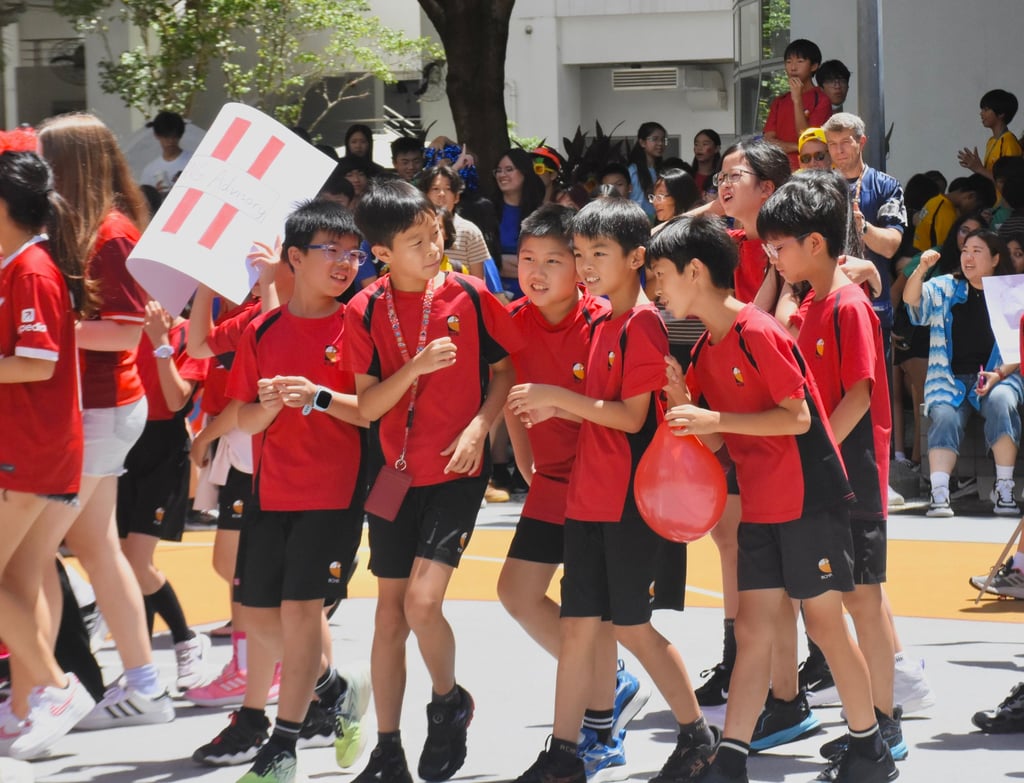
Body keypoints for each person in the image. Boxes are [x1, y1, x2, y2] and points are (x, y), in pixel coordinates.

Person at [649, 213, 897, 783]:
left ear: (693, 270)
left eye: (661, 274)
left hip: (808, 498)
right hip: (761, 502)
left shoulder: (757, 329)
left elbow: (797, 417)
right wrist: (685, 402)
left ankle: (870, 749)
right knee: (755, 627)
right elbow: (719, 438)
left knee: (826, 623)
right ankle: (731, 755)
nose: (657, 289)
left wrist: (711, 414)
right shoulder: (706, 347)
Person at [508, 198, 716, 783]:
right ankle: (564, 753)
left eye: (599, 253)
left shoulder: (644, 323)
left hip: (628, 502)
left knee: (631, 627)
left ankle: (698, 736)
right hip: (589, 500)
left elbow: (629, 417)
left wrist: (555, 398)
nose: (587, 264)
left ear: (636, 257)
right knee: (578, 628)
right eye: (580, 253)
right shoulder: (603, 322)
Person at [344, 179, 520, 783]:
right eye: (416, 241)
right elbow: (366, 408)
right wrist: (414, 368)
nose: (433, 245)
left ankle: (447, 703)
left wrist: (481, 427)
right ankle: (387, 749)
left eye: (436, 233)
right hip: (393, 474)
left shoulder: (470, 295)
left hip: (454, 470)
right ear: (382, 253)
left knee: (423, 601)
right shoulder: (364, 308)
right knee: (388, 617)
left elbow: (503, 371)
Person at [497, 204, 651, 781]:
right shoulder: (513, 318)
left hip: (601, 483)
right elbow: (511, 387)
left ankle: (602, 725)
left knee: (591, 613)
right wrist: (524, 457)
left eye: (553, 261)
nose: (535, 273)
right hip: (552, 477)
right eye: (527, 260)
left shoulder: (605, 320)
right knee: (516, 592)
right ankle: (607, 682)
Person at [757, 170, 905, 769]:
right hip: (828, 470)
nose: (773, 256)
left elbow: (860, 395)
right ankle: (867, 719)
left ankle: (885, 723)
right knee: (845, 599)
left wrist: (813, 450)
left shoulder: (847, 303)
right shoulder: (816, 301)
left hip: (854, 473)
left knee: (863, 601)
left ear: (814, 243)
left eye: (781, 246)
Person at [37, 112, 175, 729]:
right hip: (99, 410)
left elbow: (122, 330)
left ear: (71, 166)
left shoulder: (111, 233)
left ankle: (49, 691)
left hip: (103, 409)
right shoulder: (88, 228)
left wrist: (49, 330)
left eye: (46, 159)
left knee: (28, 555)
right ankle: (142, 683)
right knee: (97, 548)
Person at [227, 200, 371, 783]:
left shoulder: (359, 322)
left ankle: (281, 748)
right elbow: (242, 417)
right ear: (294, 257)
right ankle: (337, 688)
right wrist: (262, 408)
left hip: (334, 493)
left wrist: (316, 395)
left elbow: (372, 413)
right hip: (270, 491)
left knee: (300, 612)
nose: (344, 262)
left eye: (352, 252)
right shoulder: (261, 329)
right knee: (257, 620)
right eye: (329, 250)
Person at [0, 142, 98, 760]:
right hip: (39, 451)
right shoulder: (22, 265)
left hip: (29, 453)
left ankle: (57, 689)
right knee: (18, 579)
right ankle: (25, 705)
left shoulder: (30, 270)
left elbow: (37, 363)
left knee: (14, 578)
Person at [688, 139, 791, 710]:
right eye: (718, 178)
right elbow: (662, 241)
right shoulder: (723, 241)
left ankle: (797, 671)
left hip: (768, 415)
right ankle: (738, 658)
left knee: (773, 549)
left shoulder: (790, 252)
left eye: (735, 176)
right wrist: (711, 207)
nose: (722, 186)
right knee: (729, 537)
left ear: (770, 188)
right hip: (724, 409)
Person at [117, 300, 211, 691]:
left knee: (137, 560)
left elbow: (177, 402)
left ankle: (185, 639)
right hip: (123, 444)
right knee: (126, 563)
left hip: (164, 447)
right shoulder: (122, 328)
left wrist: (160, 343)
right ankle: (141, 666)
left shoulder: (188, 333)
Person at [904, 229, 1023, 517]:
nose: (968, 256)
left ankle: (1004, 489)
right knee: (943, 414)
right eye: (965, 250)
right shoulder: (945, 286)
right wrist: (921, 269)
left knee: (1002, 402)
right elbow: (912, 300)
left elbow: (1019, 347)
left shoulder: (1012, 291)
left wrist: (998, 375)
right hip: (948, 377)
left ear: (995, 259)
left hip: (1000, 375)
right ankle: (940, 493)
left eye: (977, 251)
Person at [418, 164, 503, 295]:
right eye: (435, 189)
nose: (441, 194)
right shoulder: (413, 229)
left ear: (457, 197)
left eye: (447, 189)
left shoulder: (470, 231)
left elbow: (478, 282)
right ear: (424, 195)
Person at [763, 39, 832, 170]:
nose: (793, 67)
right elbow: (768, 142)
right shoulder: (779, 101)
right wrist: (797, 147)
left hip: (809, 170)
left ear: (814, 66)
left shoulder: (822, 100)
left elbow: (808, 140)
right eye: (788, 62)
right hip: (779, 170)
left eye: (800, 61)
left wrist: (797, 100)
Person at [492, 148, 546, 300]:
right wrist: (499, 263)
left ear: (524, 172)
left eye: (509, 169)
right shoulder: (488, 211)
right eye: (498, 170)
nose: (502, 175)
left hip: (534, 295)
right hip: (496, 296)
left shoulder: (541, 214)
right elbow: (483, 259)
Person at [957, 89, 1022, 181]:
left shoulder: (1009, 142)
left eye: (986, 109)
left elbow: (1009, 183)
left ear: (1001, 113)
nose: (981, 113)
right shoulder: (991, 141)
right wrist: (977, 168)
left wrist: (979, 168)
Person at [140, 110, 192, 194]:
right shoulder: (149, 170)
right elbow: (145, 200)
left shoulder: (193, 161)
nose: (170, 141)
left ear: (180, 135)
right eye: (166, 137)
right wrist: (155, 193)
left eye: (174, 137)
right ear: (157, 135)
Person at [626, 122, 667, 218]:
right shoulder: (632, 171)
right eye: (655, 139)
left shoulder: (664, 172)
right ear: (642, 142)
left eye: (663, 140)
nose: (660, 143)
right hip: (636, 222)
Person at [690, 129, 722, 199]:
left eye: (705, 144)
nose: (699, 148)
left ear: (717, 148)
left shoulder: (721, 178)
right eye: (696, 144)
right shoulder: (688, 176)